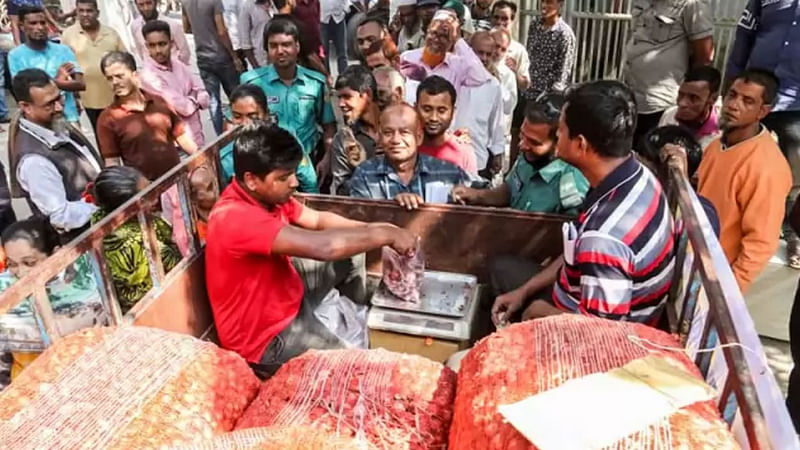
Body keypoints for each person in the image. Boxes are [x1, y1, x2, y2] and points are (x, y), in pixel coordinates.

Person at [205, 121, 416, 372]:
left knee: (353, 250)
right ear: (251, 179)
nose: (294, 182)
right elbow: (324, 247)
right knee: (352, 369)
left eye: (293, 172)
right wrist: (384, 234)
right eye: (284, 177)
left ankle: (351, 313)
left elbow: (317, 220)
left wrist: (373, 228)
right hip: (267, 339)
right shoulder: (236, 217)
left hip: (287, 295)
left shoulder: (268, 195)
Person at [491, 80, 675, 326]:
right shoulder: (638, 175)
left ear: (580, 144)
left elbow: (600, 332)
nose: (557, 136)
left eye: (561, 131)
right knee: (502, 269)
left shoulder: (604, 239)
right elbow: (575, 249)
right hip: (579, 295)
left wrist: (540, 311)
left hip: (607, 339)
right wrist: (524, 291)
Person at [697, 69, 792, 293]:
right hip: (692, 263)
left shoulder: (767, 167)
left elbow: (761, 244)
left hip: (716, 282)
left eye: (747, 101)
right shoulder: (716, 145)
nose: (733, 105)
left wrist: (728, 292)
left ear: (763, 111)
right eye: (732, 95)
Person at [727, 0, 800, 269]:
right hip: (755, 93)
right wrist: (733, 84)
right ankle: (733, 227)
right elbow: (745, 35)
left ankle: (793, 236)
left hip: (796, 102)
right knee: (741, 161)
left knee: (794, 174)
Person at [0, 218, 107, 391]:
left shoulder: (84, 276)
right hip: (30, 387)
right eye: (11, 264)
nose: (20, 272)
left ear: (55, 254)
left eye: (30, 263)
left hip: (87, 372)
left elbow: (92, 327)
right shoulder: (5, 287)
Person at [452, 93, 588, 214]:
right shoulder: (528, 157)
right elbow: (509, 190)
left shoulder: (571, 183)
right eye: (523, 136)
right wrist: (477, 196)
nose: (522, 146)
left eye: (534, 142)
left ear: (559, 142)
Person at [9, 69, 102, 242]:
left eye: (59, 97)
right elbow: (61, 216)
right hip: (82, 243)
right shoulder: (34, 161)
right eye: (49, 104)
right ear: (25, 107)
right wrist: (104, 204)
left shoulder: (54, 125)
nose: (59, 107)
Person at [241, 17, 334, 183]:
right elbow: (236, 126)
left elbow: (328, 126)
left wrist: (327, 159)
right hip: (269, 168)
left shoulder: (316, 83)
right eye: (273, 46)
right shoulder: (251, 83)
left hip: (311, 162)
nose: (280, 50)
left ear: (297, 47)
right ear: (266, 49)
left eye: (286, 44)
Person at [626, 0, 714, 151]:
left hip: (661, 104)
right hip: (632, 97)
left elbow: (704, 57)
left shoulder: (692, 5)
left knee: (653, 158)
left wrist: (687, 96)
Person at [91, 166, 181, 313]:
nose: (154, 198)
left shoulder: (100, 217)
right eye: (146, 197)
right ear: (126, 209)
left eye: (151, 186)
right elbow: (176, 260)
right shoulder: (137, 240)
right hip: (149, 305)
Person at [96, 51, 197, 181]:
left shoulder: (159, 102)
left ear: (135, 75)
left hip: (178, 181)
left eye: (120, 76)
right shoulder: (107, 119)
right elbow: (112, 163)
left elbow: (182, 137)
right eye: (110, 78)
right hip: (145, 193)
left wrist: (202, 160)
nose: (115, 82)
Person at [349, 103, 473, 207]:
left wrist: (477, 195)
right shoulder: (365, 174)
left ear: (418, 137)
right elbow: (361, 222)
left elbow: (485, 192)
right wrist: (394, 208)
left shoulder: (447, 172)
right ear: (380, 138)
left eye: (404, 132)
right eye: (388, 133)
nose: (396, 140)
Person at [221, 84, 318, 192]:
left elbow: (309, 182)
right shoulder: (226, 158)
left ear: (266, 114)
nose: (245, 123)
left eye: (252, 116)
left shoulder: (285, 140)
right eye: (237, 117)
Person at [9, 6, 86, 125]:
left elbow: (80, 84)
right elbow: (23, 91)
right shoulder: (16, 56)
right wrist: (59, 80)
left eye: (43, 23)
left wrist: (50, 83)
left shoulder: (64, 50)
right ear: (22, 27)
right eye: (33, 23)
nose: (39, 27)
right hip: (38, 121)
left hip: (68, 117)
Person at [639, 125, 721, 236]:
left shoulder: (704, 213)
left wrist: (680, 181)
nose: (639, 166)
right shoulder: (637, 199)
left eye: (647, 161)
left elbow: (701, 246)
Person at [140, 20, 210, 147]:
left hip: (197, 136)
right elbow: (184, 108)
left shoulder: (179, 65)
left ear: (171, 43)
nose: (158, 50)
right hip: (178, 145)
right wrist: (194, 98)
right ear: (146, 46)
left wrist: (191, 99)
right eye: (152, 45)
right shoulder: (148, 76)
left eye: (162, 44)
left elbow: (204, 97)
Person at [62, 0, 126, 134]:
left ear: (97, 13)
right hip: (89, 99)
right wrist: (74, 97)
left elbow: (126, 62)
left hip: (116, 97)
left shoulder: (111, 33)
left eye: (89, 11)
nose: (85, 14)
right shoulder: (68, 35)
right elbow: (64, 68)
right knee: (103, 139)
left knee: (124, 136)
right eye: (81, 11)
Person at [182, 0, 244, 135]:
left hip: (203, 57)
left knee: (213, 102)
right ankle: (242, 129)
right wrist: (234, 56)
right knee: (236, 95)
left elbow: (186, 28)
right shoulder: (214, 1)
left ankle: (220, 137)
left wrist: (202, 32)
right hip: (221, 55)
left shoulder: (185, 2)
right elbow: (221, 31)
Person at [399, 9, 490, 99]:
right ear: (427, 32)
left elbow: (480, 78)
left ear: (452, 41)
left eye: (444, 36)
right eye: (434, 33)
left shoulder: (457, 65)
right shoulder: (408, 57)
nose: (437, 39)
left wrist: (458, 40)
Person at [450, 31, 503, 177]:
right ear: (469, 51)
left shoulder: (493, 85)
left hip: (478, 158)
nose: (484, 59)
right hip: (449, 156)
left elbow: (496, 122)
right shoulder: (453, 76)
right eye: (480, 53)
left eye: (488, 54)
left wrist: (498, 152)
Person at [330, 66, 381, 195]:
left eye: (347, 96)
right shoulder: (343, 139)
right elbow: (342, 190)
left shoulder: (396, 127)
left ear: (367, 95)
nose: (341, 104)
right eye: (339, 97)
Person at [416, 75, 477, 174]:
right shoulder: (405, 148)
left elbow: (471, 188)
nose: (433, 118)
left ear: (453, 112)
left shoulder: (464, 153)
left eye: (441, 111)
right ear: (415, 108)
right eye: (427, 109)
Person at [657, 65, 722, 151]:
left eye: (693, 98)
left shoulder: (721, 137)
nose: (682, 103)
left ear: (713, 99)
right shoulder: (669, 116)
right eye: (681, 94)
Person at [524, 0, 575, 102]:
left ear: (560, 4)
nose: (543, 5)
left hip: (546, 97)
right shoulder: (534, 25)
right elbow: (528, 56)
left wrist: (550, 98)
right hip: (527, 91)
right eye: (542, 1)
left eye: (549, 2)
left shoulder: (564, 34)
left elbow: (563, 73)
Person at [131, 0, 191, 65]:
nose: (146, 8)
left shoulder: (173, 25)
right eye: (141, 5)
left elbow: (185, 53)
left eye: (149, 3)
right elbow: (141, 52)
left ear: (155, 2)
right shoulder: (135, 26)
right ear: (136, 5)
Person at [490, 0, 529, 92]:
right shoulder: (481, 43)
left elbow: (525, 85)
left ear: (512, 20)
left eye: (504, 18)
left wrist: (515, 72)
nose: (499, 22)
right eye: (496, 17)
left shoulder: (518, 50)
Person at [489, 26, 518, 149]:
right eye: (496, 46)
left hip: (495, 138)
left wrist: (496, 82)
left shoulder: (508, 75)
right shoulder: (473, 65)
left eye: (503, 49)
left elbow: (509, 107)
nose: (498, 52)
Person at [238, 0, 278, 68]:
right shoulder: (247, 7)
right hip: (260, 62)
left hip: (276, 58)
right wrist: (256, 67)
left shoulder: (272, 4)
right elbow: (245, 43)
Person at [320, 0, 348, 74]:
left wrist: (345, 10)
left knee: (342, 52)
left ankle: (344, 78)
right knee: (324, 53)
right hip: (323, 18)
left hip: (339, 18)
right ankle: (327, 78)